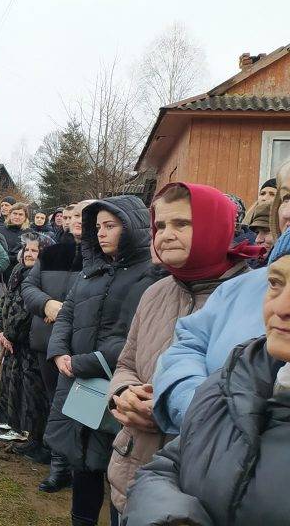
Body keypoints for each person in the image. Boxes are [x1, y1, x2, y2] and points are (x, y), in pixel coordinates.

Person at [104, 183, 259, 513]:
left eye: (182, 224)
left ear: (216, 227)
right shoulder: (155, 292)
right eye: (160, 225)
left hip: (197, 492)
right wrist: (124, 393)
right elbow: (127, 362)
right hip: (129, 475)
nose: (165, 235)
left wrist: (169, 410)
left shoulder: (252, 299)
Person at [123, 230, 290, 526]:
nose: (280, 308)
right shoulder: (238, 373)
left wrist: (189, 407)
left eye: (182, 222)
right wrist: (172, 518)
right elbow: (165, 466)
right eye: (275, 283)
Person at [151, 161, 290, 434]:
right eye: (288, 197)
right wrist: (198, 409)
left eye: (182, 223)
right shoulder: (238, 288)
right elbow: (187, 347)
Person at [45, 195, 159, 526]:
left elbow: (132, 339)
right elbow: (66, 313)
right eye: (98, 227)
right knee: (83, 464)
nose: (102, 234)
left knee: (119, 471)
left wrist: (82, 363)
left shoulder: (149, 277)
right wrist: (59, 351)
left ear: (134, 227)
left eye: (111, 226)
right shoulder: (90, 271)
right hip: (80, 386)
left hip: (120, 388)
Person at [21, 199, 93, 493]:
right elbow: (29, 287)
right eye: (72, 214)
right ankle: (59, 467)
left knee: (85, 409)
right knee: (56, 404)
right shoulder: (50, 253)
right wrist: (47, 304)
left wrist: (68, 313)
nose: (76, 219)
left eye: (84, 215)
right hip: (47, 342)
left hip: (82, 346)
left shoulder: (104, 259)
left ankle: (84, 470)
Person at [0, 232, 54, 463]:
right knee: (12, 386)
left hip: (28, 343)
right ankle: (15, 425)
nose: (29, 254)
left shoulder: (43, 279)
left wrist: (11, 334)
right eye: (27, 250)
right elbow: (7, 301)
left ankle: (33, 436)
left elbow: (29, 312)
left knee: (31, 391)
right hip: (11, 343)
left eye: (35, 251)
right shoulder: (17, 272)